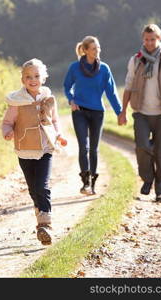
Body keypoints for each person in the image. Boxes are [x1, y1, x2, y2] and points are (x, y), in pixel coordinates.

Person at [2, 58, 67, 245]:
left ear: (44, 78)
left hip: (45, 148)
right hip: (24, 150)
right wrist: (8, 132)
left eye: (37, 76)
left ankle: (45, 224)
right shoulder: (17, 102)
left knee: (42, 185)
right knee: (33, 189)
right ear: (23, 79)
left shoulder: (47, 97)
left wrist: (59, 135)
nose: (33, 80)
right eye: (28, 77)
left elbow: (54, 120)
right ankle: (40, 214)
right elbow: (7, 122)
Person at [118, 24, 161, 203]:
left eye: (153, 39)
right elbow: (129, 85)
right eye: (146, 39)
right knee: (142, 146)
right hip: (141, 112)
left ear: (159, 39)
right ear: (142, 39)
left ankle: (160, 190)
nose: (149, 43)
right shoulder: (136, 60)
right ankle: (148, 179)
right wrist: (123, 111)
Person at [63, 36, 122, 195]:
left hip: (97, 112)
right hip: (79, 111)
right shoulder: (74, 67)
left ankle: (93, 184)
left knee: (94, 149)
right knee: (84, 147)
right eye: (94, 48)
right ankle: (85, 182)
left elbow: (111, 91)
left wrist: (119, 112)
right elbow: (67, 86)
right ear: (86, 50)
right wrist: (71, 100)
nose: (98, 51)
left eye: (99, 48)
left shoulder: (104, 69)